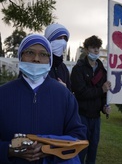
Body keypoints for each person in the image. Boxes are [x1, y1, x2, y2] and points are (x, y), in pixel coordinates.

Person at [0, 34, 87, 164]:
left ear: (49, 60)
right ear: (21, 57)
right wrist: (9, 150)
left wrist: (49, 149)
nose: (36, 59)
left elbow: (78, 135)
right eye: (30, 52)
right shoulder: (3, 94)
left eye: (43, 54)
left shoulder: (64, 95)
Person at [70, 35, 111, 164]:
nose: (96, 51)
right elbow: (81, 92)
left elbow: (104, 95)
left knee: (93, 149)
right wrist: (101, 90)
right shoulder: (78, 69)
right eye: (93, 48)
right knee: (81, 148)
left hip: (96, 117)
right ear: (87, 50)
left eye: (98, 48)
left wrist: (104, 108)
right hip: (81, 116)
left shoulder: (102, 71)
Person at [44, 23, 71, 90]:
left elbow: (70, 95)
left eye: (65, 39)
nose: (62, 42)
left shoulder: (63, 68)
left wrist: (65, 90)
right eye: (59, 38)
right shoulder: (39, 64)